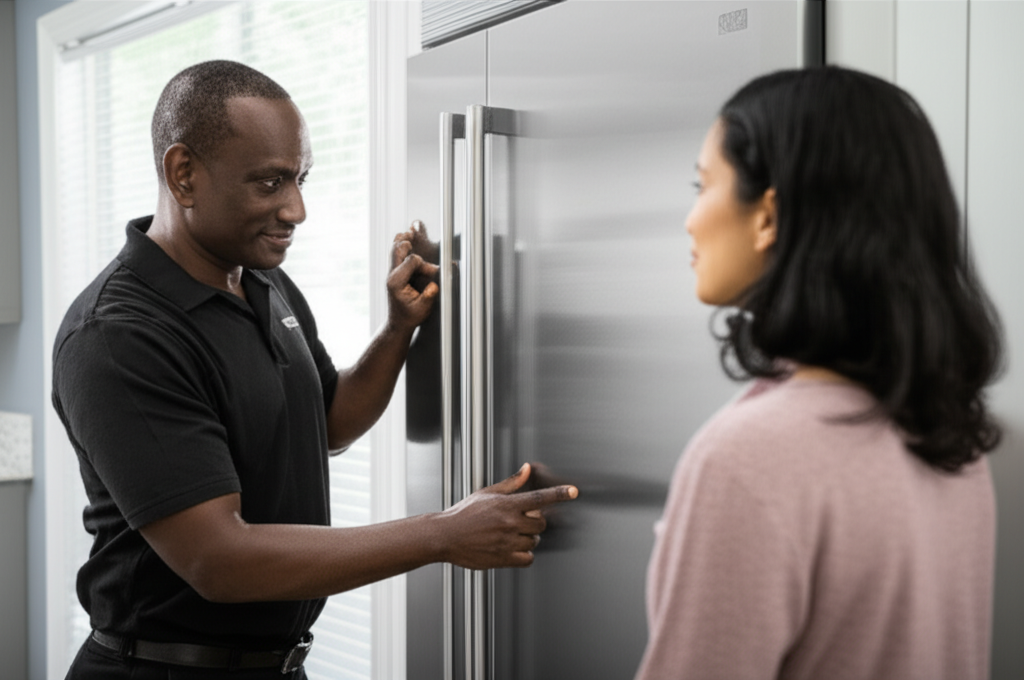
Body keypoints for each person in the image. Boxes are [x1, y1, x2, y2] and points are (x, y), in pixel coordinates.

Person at [52, 59, 577, 680]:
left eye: (301, 178)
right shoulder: (119, 334)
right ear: (183, 173)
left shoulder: (263, 281)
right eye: (270, 183)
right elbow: (219, 561)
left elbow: (329, 423)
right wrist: (443, 534)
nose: (296, 210)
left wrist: (398, 330)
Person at [635, 66, 1003, 680]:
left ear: (768, 216)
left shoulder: (746, 457)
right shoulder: (953, 438)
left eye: (703, 186)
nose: (689, 219)